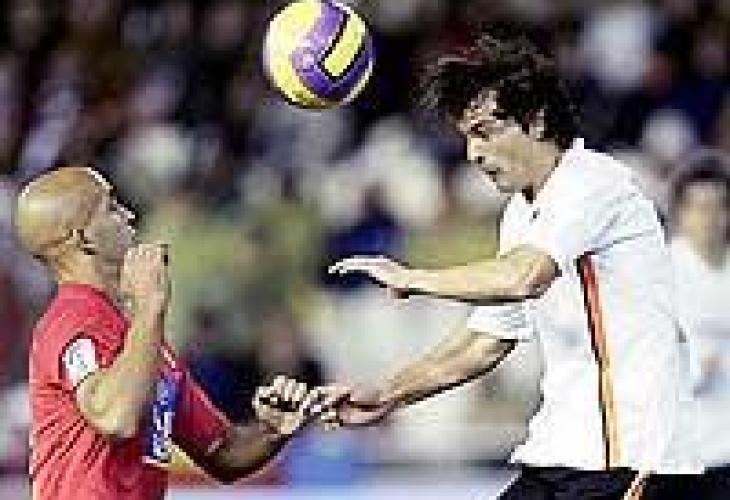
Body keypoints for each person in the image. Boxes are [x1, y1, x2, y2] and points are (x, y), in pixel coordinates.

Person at [327, 32, 696, 499]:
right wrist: (387, 394)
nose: (472, 154)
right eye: (466, 137)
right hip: (561, 455)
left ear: (537, 121)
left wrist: (413, 278)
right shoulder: (521, 213)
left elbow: (524, 277)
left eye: (484, 132)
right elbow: (484, 344)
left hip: (632, 462)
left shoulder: (593, 182)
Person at [14, 165, 341, 500]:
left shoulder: (141, 337)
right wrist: (149, 305)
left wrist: (273, 431)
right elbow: (115, 418)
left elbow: (222, 453)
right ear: (82, 238)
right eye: (111, 207)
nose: (128, 215)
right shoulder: (73, 321)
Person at [669, 152, 730, 498]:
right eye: (700, 207)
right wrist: (693, 370)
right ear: (681, 213)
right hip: (680, 448)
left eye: (719, 207)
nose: (710, 219)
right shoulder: (661, 273)